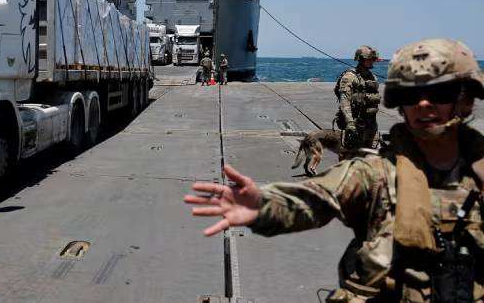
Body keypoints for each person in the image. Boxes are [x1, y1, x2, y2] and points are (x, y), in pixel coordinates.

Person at [184, 38, 484, 302]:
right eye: (410, 95)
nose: (423, 104)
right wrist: (262, 205)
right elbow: (316, 197)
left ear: (467, 100)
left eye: (440, 93)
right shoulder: (375, 172)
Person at [335, 45, 382, 149]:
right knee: (352, 155)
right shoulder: (350, 77)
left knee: (371, 155)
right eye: (369, 59)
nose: (372, 61)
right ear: (361, 59)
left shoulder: (372, 77)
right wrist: (350, 123)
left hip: (371, 124)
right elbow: (345, 101)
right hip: (356, 124)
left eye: (373, 59)